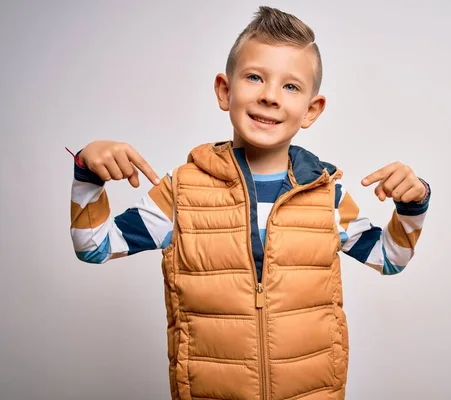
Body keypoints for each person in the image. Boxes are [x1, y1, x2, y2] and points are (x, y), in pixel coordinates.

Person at [68, 6, 431, 400]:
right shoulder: (182, 193)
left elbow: (390, 257)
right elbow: (94, 246)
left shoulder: (327, 196)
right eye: (255, 77)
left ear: (312, 109)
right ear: (225, 90)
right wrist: (88, 172)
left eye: (291, 86)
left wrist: (413, 204)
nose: (269, 96)